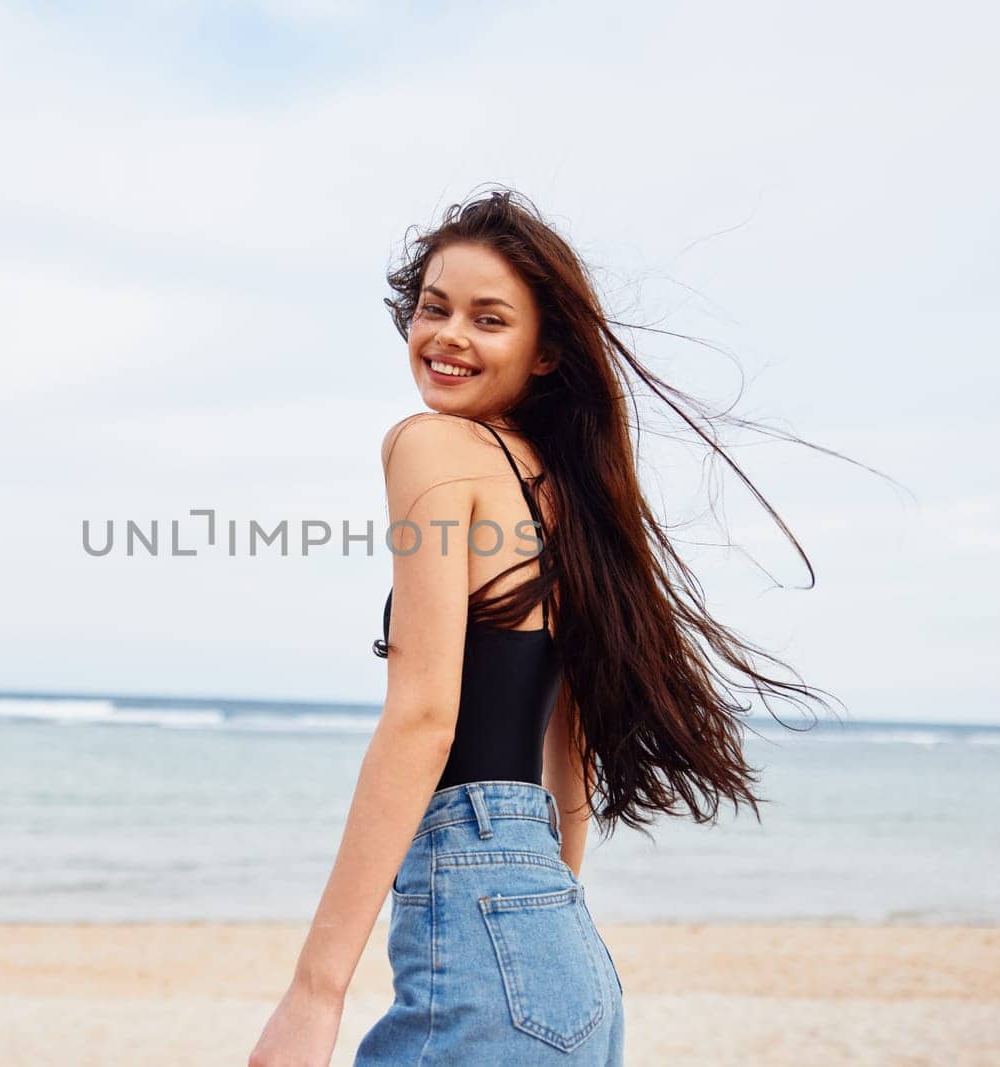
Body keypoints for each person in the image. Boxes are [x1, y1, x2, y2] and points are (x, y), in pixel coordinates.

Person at [248, 187, 841, 1067]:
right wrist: (542, 900)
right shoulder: (564, 496)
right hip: (567, 954)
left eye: (489, 319)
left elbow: (423, 716)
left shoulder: (430, 447)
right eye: (433, 308)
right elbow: (573, 741)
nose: (447, 336)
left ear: (546, 351)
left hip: (495, 944)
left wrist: (314, 992)